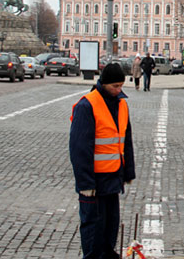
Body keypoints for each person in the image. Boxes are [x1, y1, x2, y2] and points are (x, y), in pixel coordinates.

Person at [69, 63, 136, 259]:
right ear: (104, 84)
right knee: (93, 228)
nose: (119, 90)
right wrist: (85, 184)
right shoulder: (87, 106)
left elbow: (126, 141)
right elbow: (79, 149)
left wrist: (128, 172)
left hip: (113, 178)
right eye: (115, 86)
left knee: (110, 226)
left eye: (121, 85)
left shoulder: (122, 105)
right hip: (94, 182)